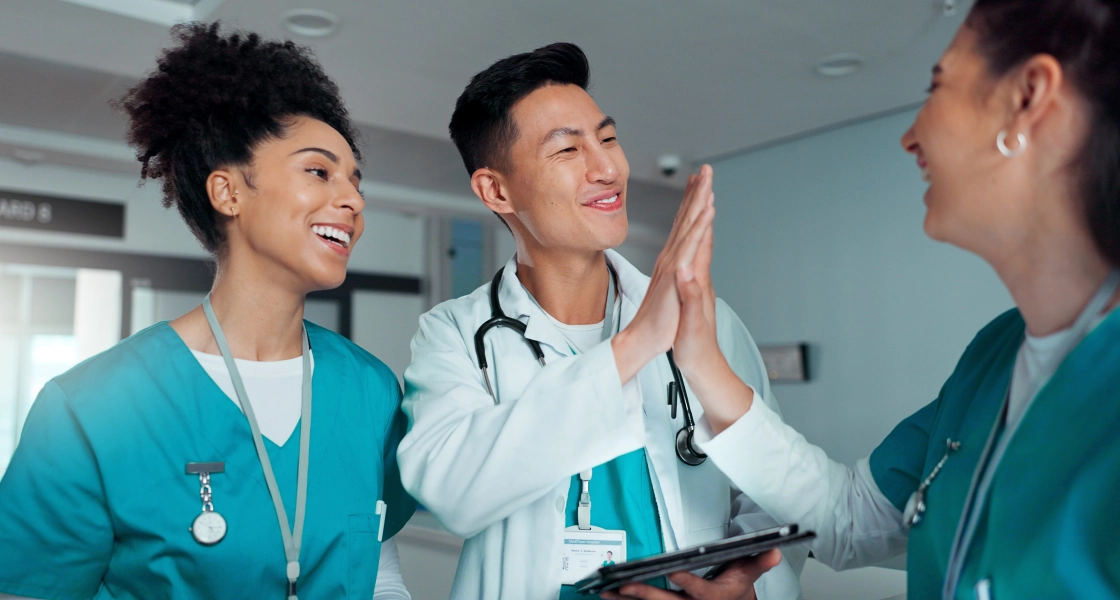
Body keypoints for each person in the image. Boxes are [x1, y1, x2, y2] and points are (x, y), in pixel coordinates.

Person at [610, 1, 1120, 599]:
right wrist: (699, 359)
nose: (910, 135)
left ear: (1028, 97)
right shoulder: (995, 358)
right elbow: (851, 520)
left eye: (938, 86)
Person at [0, 23, 416, 600]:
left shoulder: (371, 390)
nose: (352, 200)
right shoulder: (92, 408)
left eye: (355, 182)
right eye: (319, 171)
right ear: (228, 192)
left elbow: (379, 571)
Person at [397, 43, 801, 600]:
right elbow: (453, 491)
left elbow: (774, 491)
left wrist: (751, 591)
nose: (608, 168)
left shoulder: (709, 321)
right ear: (496, 189)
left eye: (607, 139)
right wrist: (636, 344)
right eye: (567, 149)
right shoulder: (455, 334)